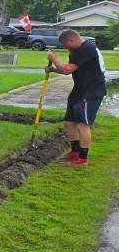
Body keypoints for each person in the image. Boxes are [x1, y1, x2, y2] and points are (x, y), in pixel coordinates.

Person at [47, 29, 107, 166]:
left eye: (65, 45)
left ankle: (82, 158)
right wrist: (53, 69)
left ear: (71, 40)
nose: (65, 48)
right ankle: (75, 151)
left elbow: (66, 69)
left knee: (82, 124)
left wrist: (53, 58)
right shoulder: (77, 50)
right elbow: (68, 70)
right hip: (79, 90)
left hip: (92, 91)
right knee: (69, 122)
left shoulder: (86, 49)